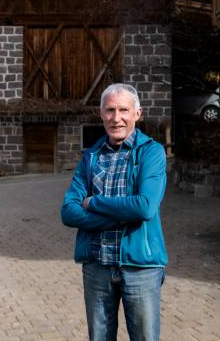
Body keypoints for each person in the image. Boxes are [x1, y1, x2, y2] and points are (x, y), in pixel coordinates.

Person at [61, 83, 167, 341]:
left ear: (137, 113)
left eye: (123, 110)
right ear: (101, 114)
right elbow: (68, 212)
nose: (116, 117)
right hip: (97, 266)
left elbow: (144, 207)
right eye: (110, 110)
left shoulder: (151, 152)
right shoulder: (90, 156)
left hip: (140, 267)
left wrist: (94, 202)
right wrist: (122, 215)